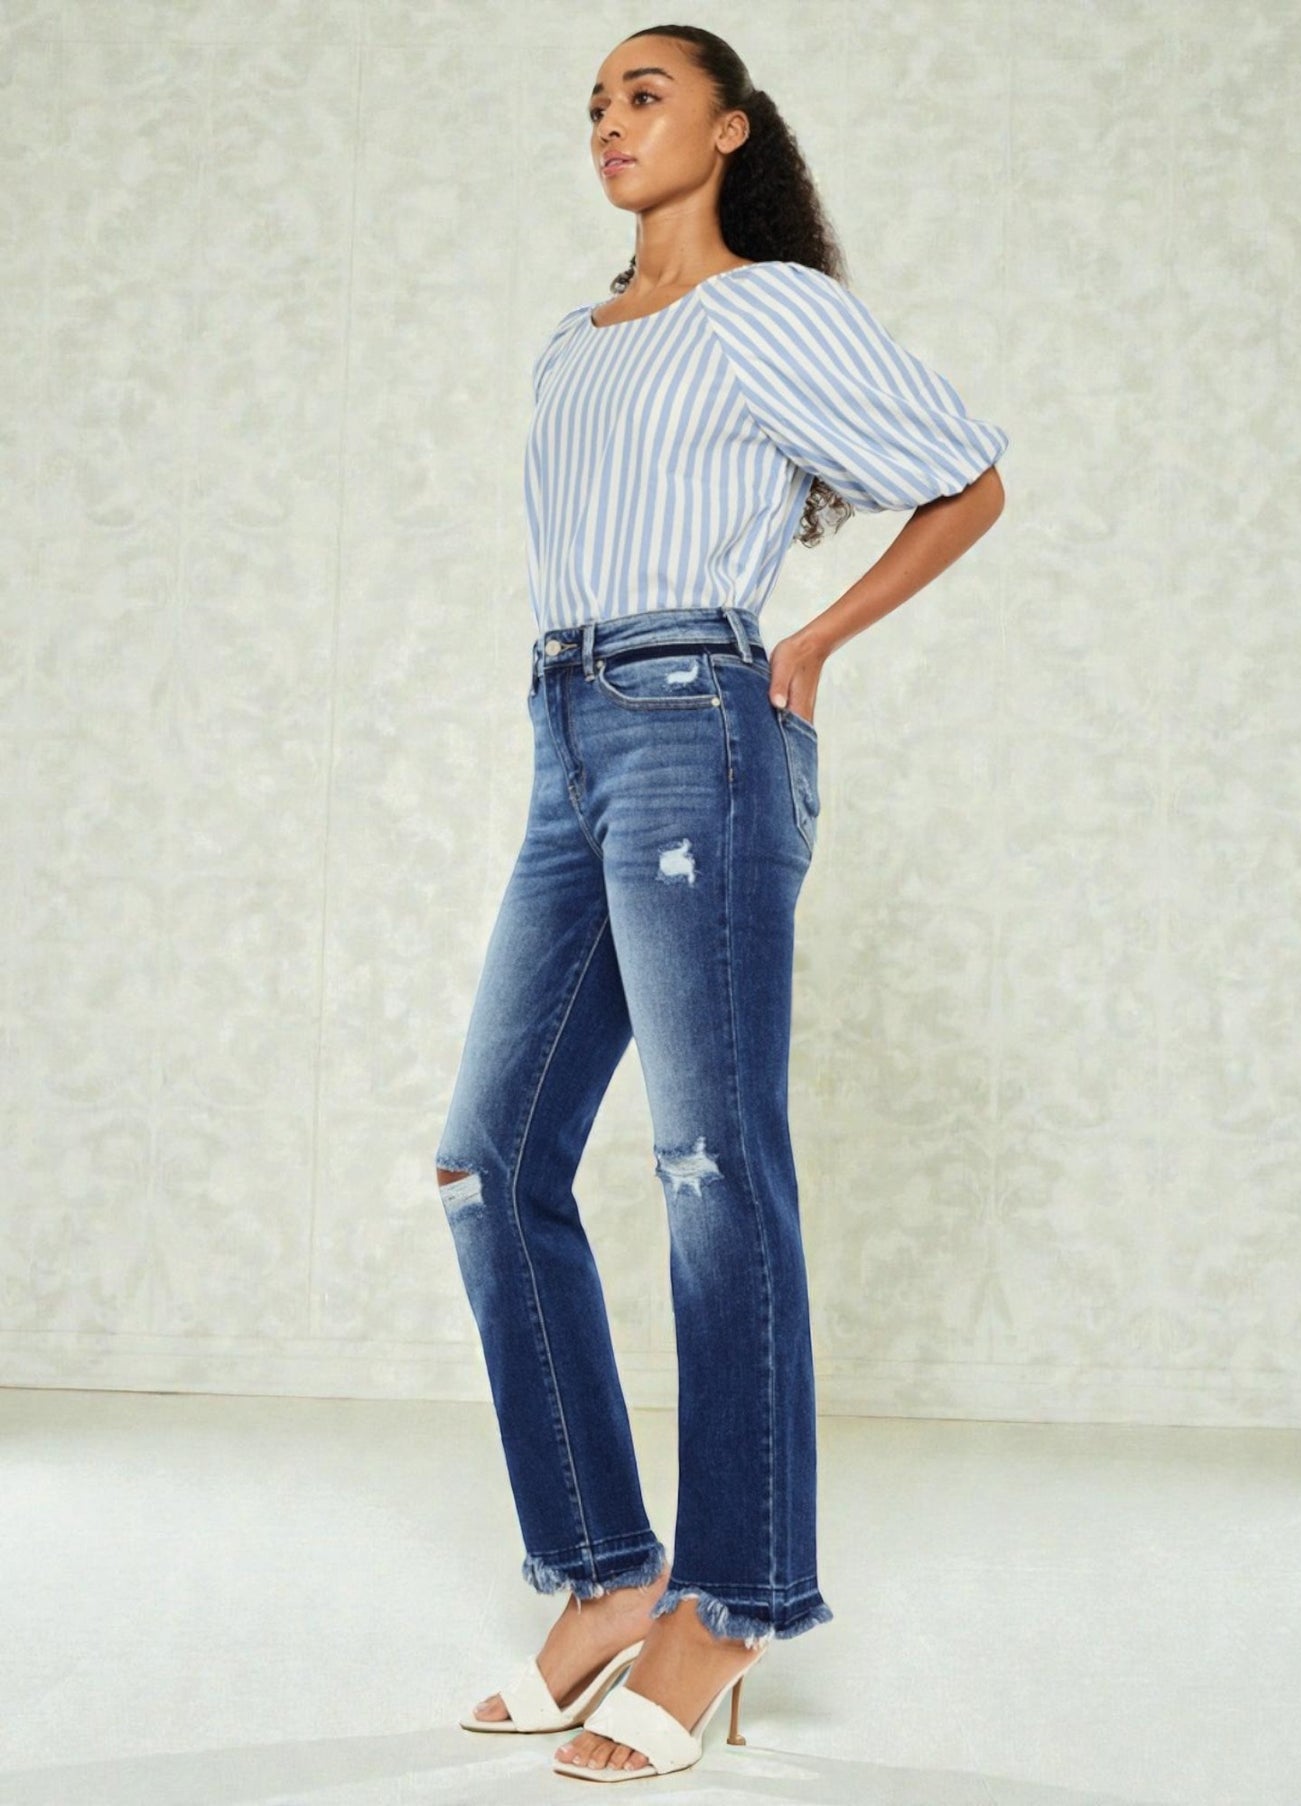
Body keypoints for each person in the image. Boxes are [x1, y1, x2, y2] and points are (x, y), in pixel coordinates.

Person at [434, 22, 1008, 1783]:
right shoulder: (569, 339)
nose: (611, 122)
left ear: (729, 128)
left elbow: (965, 475)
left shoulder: (769, 310)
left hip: (703, 727)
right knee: (491, 1157)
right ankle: (611, 1573)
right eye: (595, 102)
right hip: (569, 734)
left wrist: (816, 641)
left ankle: (735, 1601)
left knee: (706, 1161)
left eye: (647, 93)